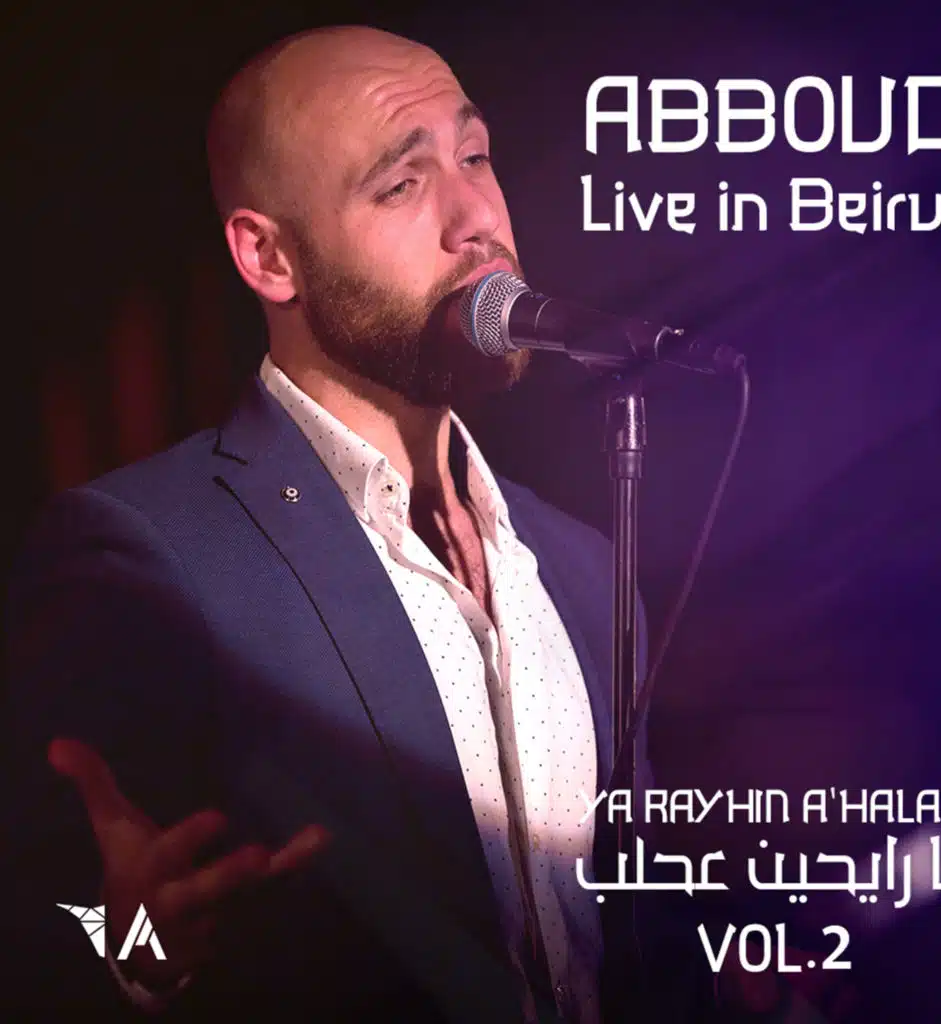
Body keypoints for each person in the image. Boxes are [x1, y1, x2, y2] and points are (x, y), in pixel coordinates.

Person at [3, 25, 670, 1024]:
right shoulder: (145, 552)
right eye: (401, 184)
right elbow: (44, 934)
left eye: (475, 155)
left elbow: (634, 930)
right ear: (268, 256)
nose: (476, 220)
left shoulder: (580, 566)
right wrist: (138, 953)